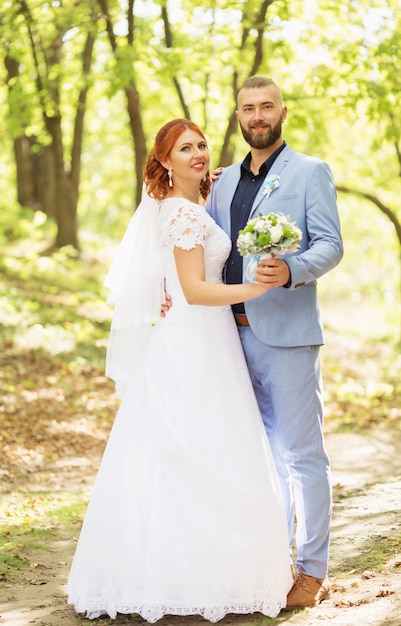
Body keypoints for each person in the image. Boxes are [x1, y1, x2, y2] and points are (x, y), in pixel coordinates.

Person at [67, 118, 293, 622]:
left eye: (201, 144)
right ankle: (180, 577)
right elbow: (193, 291)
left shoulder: (194, 206)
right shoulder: (181, 214)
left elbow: (179, 282)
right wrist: (255, 289)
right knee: (193, 450)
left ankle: (205, 571)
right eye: (183, 148)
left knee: (207, 448)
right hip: (193, 342)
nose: (197, 153)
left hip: (208, 340)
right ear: (164, 161)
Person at [206, 76, 344, 610]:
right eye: (248, 108)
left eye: (266, 107)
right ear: (238, 115)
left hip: (286, 336)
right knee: (261, 458)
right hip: (228, 338)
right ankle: (273, 561)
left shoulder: (309, 172)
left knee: (303, 456)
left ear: (282, 112)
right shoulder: (220, 183)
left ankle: (312, 571)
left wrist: (290, 269)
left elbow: (330, 246)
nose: (257, 116)